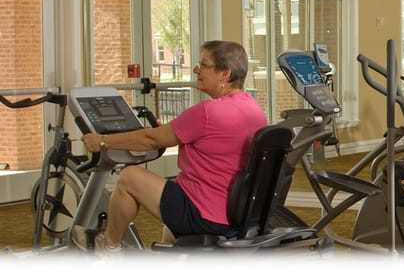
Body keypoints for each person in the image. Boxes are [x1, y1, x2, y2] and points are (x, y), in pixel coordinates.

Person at [72, 40, 267, 254]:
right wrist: (168, 132)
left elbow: (151, 140)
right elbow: (205, 139)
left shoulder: (208, 112)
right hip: (236, 214)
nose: (196, 70)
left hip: (204, 215)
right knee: (174, 194)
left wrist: (101, 141)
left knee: (130, 177)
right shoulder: (253, 108)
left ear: (225, 74)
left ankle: (108, 247)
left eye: (203, 65)